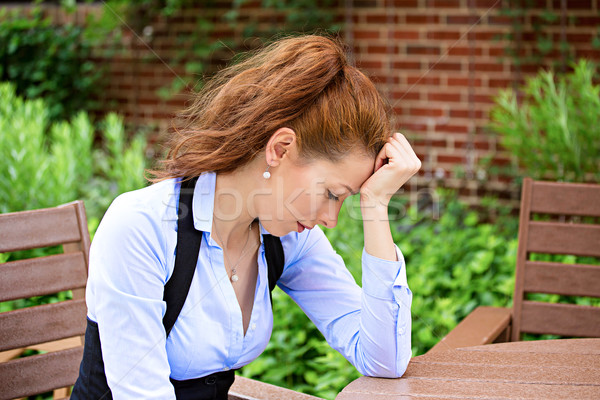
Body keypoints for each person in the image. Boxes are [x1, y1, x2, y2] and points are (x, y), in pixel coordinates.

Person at [71, 34, 421, 399]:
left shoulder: (287, 236)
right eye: (331, 194)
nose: (331, 218)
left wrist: (377, 206)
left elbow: (383, 361)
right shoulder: (141, 227)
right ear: (280, 149)